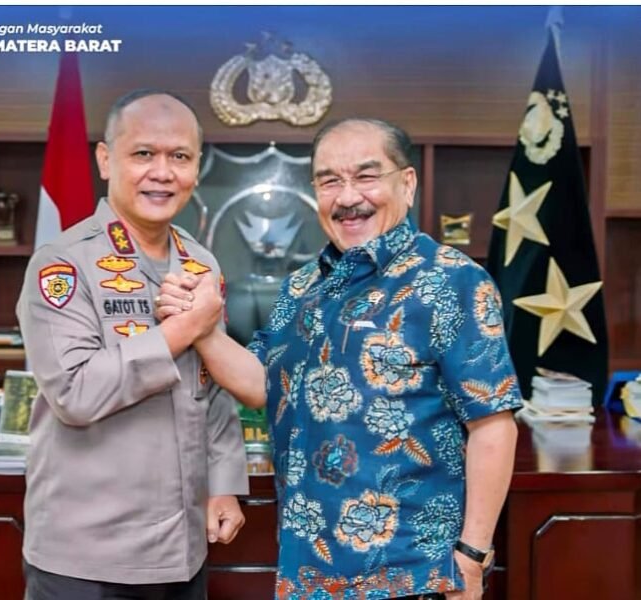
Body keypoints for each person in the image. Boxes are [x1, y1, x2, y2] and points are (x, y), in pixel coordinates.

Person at [158, 118, 523, 600]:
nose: (348, 197)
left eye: (366, 176)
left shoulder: (452, 280)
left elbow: (493, 424)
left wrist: (472, 557)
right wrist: (200, 326)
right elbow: (261, 383)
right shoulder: (302, 286)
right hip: (309, 571)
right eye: (329, 181)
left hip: (414, 575)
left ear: (407, 183)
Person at [16, 89, 248, 600]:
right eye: (143, 153)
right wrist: (179, 332)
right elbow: (75, 393)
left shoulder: (201, 264)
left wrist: (224, 484)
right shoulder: (63, 263)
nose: (162, 172)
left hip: (183, 548)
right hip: (87, 555)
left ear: (196, 167)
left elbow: (211, 388)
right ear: (106, 159)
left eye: (179, 156)